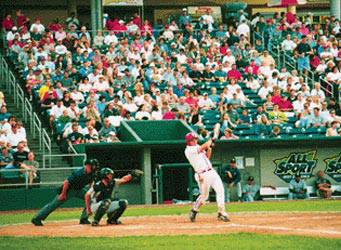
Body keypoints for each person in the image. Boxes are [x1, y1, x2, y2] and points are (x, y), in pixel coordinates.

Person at [31, 159, 99, 226]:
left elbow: (91, 182)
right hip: (68, 190)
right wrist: (63, 194)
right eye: (92, 166)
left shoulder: (92, 173)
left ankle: (84, 219)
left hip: (79, 189)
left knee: (90, 199)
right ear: (87, 166)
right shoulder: (79, 172)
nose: (94, 168)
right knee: (53, 204)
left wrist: (90, 192)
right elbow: (67, 182)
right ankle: (37, 218)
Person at [184, 132, 230, 222]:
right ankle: (194, 210)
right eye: (194, 139)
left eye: (196, 139)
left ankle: (221, 212)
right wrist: (211, 140)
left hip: (211, 171)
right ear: (190, 141)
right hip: (202, 174)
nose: (196, 140)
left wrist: (209, 149)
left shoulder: (197, 147)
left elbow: (207, 157)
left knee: (220, 190)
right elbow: (203, 146)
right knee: (204, 196)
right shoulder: (189, 150)